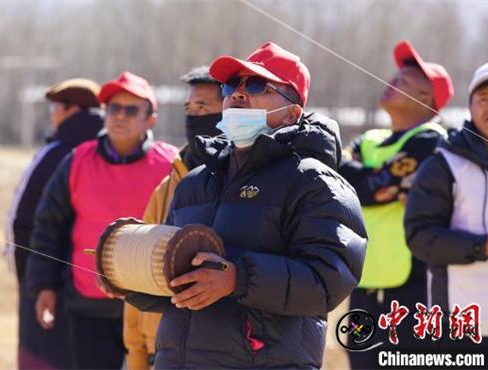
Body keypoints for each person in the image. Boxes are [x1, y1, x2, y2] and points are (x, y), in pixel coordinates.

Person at [120, 41, 367, 369]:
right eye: (230, 85)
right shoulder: (195, 182)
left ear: (292, 113)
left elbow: (327, 282)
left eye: (255, 84)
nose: (237, 93)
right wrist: (128, 278)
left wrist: (236, 277)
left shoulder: (316, 183)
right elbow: (176, 282)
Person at [25, 71, 178, 369]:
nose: (120, 116)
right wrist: (44, 285)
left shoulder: (171, 164)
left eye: (131, 109)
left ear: (151, 119)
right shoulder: (77, 160)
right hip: (88, 303)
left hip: (150, 304)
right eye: (113, 108)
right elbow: (49, 226)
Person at [338, 40, 453, 367]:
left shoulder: (431, 140)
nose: (391, 82)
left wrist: (370, 182)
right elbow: (339, 181)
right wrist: (376, 183)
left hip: (412, 285)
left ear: (425, 99)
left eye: (402, 81)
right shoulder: (370, 138)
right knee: (360, 360)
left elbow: (373, 188)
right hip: (364, 281)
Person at [123, 66, 223, 370]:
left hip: (215, 352)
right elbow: (137, 267)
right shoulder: (169, 186)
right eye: (189, 108)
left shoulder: (243, 188)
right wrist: (137, 353)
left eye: (202, 108)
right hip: (161, 351)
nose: (193, 117)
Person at [405, 58, 488, 368]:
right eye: (483, 99)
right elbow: (419, 237)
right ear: (470, 106)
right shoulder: (444, 163)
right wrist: (483, 246)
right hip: (463, 329)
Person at [5, 78, 103, 369]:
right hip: (96, 285)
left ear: (73, 110)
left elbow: (22, 222)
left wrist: (31, 280)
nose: (53, 115)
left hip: (49, 282)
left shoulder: (54, 154)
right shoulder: (108, 150)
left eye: (57, 107)